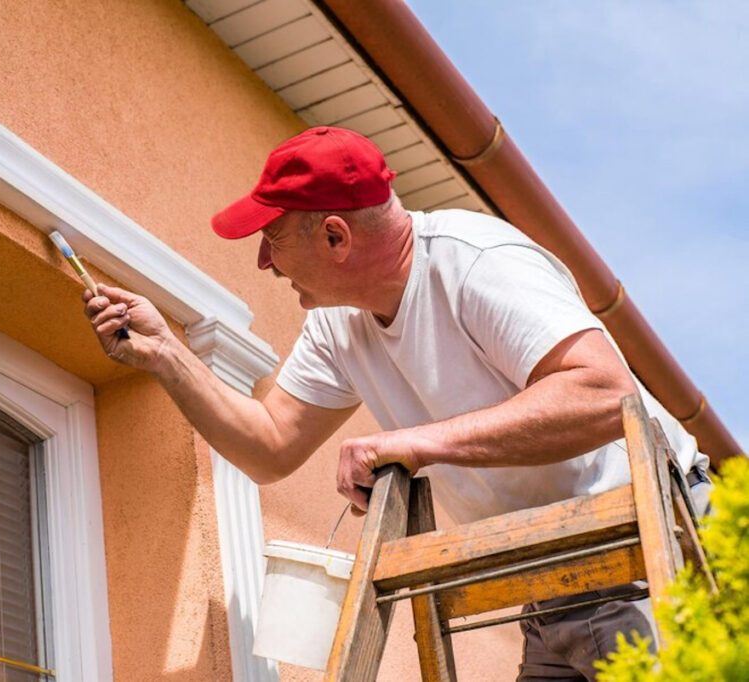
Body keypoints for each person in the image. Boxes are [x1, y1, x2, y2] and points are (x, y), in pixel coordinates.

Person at [83, 126, 711, 680]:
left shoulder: (476, 263)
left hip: (654, 544)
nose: (264, 261)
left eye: (273, 237)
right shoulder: (339, 326)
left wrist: (411, 443)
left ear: (335, 236)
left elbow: (602, 393)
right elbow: (270, 446)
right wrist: (166, 353)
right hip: (555, 579)